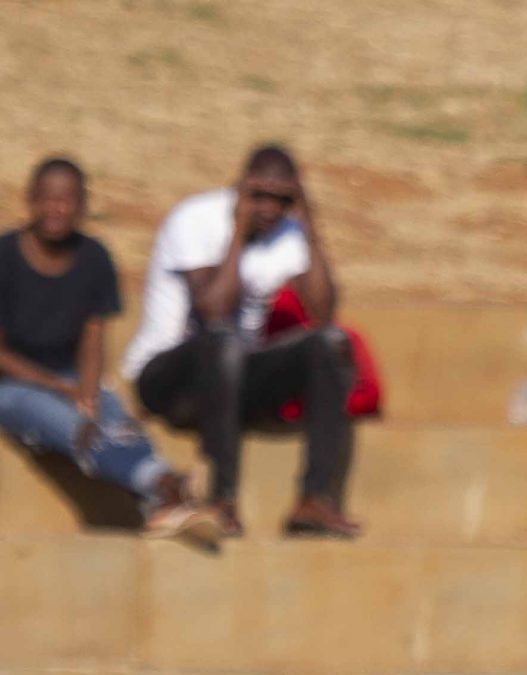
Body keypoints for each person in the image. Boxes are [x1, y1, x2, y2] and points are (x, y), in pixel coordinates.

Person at [123, 144, 358, 539]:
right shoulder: (195, 219)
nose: (268, 208)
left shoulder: (289, 232)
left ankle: (315, 499)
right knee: (223, 339)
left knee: (330, 343)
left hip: (234, 381)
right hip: (167, 378)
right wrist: (237, 232)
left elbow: (323, 313)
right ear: (239, 187)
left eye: (282, 198)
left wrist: (310, 225)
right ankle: (221, 499)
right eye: (259, 195)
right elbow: (214, 310)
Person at [0, 158, 215, 542]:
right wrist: (62, 390)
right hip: (12, 386)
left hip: (71, 378)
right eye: (48, 199)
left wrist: (88, 389)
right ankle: (166, 485)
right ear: (31, 200)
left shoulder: (94, 257)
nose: (57, 209)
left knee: (118, 421)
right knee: (76, 428)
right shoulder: (5, 256)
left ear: (82, 205)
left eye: (68, 200)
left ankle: (162, 501)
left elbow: (93, 334)